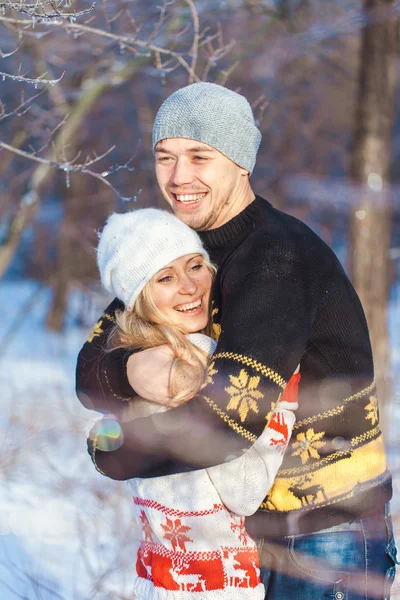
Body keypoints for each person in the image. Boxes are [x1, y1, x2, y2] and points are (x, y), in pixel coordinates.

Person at [76, 83, 397, 599]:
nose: (179, 177)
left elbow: (228, 422)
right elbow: (93, 361)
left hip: (325, 536)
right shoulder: (185, 251)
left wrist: (108, 448)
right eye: (165, 158)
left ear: (239, 161)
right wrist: (133, 369)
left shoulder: (277, 259)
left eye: (199, 156)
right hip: (250, 539)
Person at [89, 207, 299, 598]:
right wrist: (280, 410)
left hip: (159, 580)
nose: (190, 287)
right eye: (166, 277)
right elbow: (244, 491)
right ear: (138, 297)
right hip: (215, 586)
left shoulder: (130, 362)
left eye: (195, 265)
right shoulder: (197, 364)